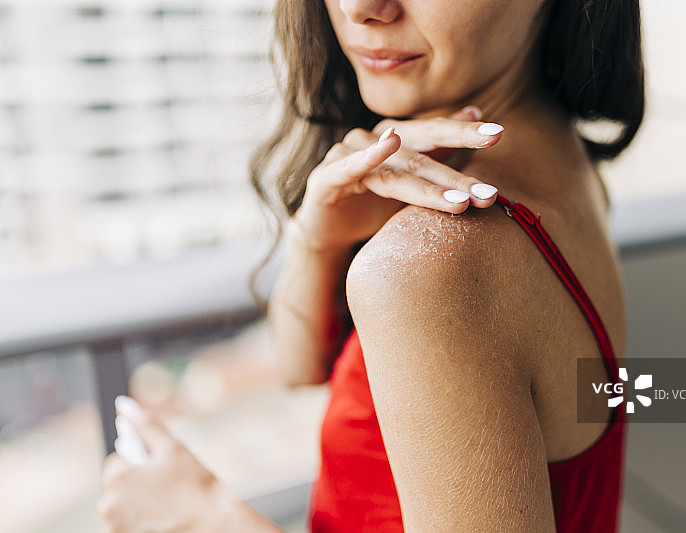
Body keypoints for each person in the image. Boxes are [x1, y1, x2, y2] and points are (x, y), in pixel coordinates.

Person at [99, 0, 644, 531]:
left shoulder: (433, 266)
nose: (360, 7)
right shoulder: (559, 161)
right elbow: (301, 368)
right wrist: (319, 240)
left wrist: (202, 516)